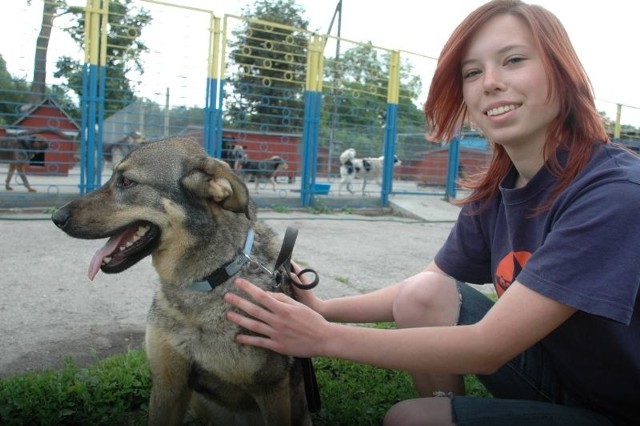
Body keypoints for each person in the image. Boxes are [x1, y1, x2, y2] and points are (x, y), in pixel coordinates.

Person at [224, 0, 640, 424]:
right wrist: (325, 309)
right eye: (472, 72)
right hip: (565, 381)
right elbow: (426, 288)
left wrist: (323, 338)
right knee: (424, 293)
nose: (490, 83)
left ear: (561, 70)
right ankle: (446, 405)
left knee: (412, 419)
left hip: (624, 407)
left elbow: (489, 347)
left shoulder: (613, 193)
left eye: (513, 60)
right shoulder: (500, 187)